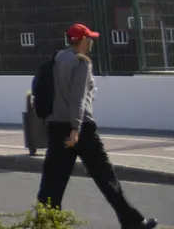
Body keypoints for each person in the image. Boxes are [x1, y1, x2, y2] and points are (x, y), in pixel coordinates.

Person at [37, 24, 158, 229]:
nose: (91, 42)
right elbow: (78, 98)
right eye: (89, 38)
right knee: (106, 178)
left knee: (52, 182)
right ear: (81, 40)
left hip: (57, 127)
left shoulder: (56, 59)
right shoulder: (81, 62)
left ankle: (44, 224)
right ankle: (132, 222)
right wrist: (75, 129)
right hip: (81, 130)